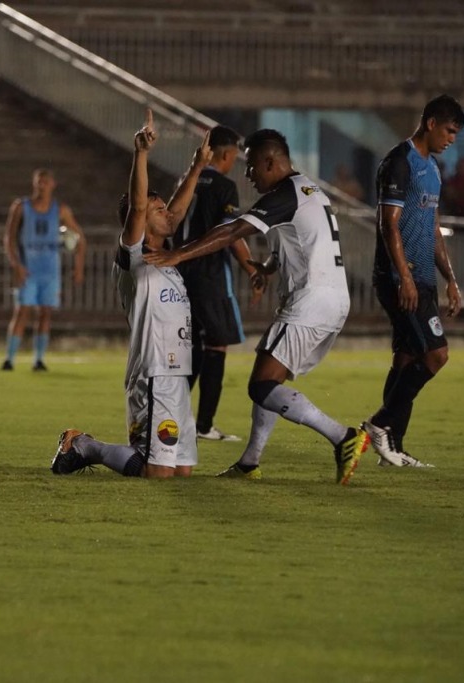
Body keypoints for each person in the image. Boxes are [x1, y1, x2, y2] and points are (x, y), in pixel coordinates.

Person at [144, 129, 370, 485]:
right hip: (327, 297)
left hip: (312, 301)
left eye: (251, 166)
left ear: (270, 161)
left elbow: (233, 231)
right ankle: (249, 463)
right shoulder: (305, 189)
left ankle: (344, 437)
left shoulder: (286, 193)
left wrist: (177, 253)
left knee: (261, 385)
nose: (247, 174)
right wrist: (266, 268)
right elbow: (302, 240)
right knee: (269, 375)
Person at [51, 110, 209, 478]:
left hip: (176, 372)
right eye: (157, 209)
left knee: (181, 471)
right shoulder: (132, 255)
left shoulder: (166, 258)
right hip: (151, 372)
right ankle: (85, 445)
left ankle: (89, 446)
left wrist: (197, 166)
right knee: (157, 472)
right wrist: (141, 153)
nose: (166, 213)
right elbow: (138, 207)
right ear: (138, 222)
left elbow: (176, 212)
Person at [362, 94, 464, 468]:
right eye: (450, 131)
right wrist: (404, 276)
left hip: (422, 278)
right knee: (436, 355)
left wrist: (450, 279)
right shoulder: (399, 162)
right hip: (397, 277)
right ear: (431, 122)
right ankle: (379, 424)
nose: (452, 139)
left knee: (406, 359)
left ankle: (393, 451)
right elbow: (387, 225)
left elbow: (433, 228)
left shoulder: (433, 169)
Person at [172, 124, 257, 442]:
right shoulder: (223, 186)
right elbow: (230, 235)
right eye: (234, 154)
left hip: (181, 274)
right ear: (226, 153)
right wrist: (252, 270)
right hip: (210, 276)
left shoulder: (187, 179)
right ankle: (205, 425)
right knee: (216, 344)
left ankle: (176, 416)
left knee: (190, 347)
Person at [1, 168, 86, 371]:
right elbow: (9, 238)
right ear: (34, 183)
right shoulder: (21, 207)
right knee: (22, 310)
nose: (42, 186)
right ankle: (9, 359)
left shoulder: (60, 210)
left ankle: (38, 359)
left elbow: (81, 239)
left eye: (46, 182)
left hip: (49, 270)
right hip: (27, 267)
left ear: (53, 185)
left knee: (45, 312)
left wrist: (78, 267)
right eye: (39, 182)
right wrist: (16, 264)